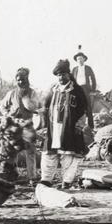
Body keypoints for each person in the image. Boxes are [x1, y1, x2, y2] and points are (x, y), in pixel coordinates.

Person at [40, 59, 89, 189]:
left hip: (69, 128)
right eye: (58, 75)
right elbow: (44, 108)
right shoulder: (52, 90)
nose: (61, 77)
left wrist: (79, 125)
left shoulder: (77, 90)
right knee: (49, 154)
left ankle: (67, 181)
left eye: (63, 74)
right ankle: (46, 180)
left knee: (68, 155)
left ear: (68, 74)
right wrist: (44, 125)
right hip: (53, 127)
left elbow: (83, 110)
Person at [0, 68, 40, 185]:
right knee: (12, 151)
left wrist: (25, 98)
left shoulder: (32, 93)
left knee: (30, 152)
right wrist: (7, 115)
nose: (21, 82)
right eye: (19, 80)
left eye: (23, 79)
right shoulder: (11, 93)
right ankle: (12, 175)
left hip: (28, 124)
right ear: (16, 81)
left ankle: (32, 177)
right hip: (14, 125)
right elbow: (2, 106)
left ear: (27, 79)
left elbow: (34, 107)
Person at [71, 47, 96, 128]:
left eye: (81, 58)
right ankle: (78, 125)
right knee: (76, 106)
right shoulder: (74, 69)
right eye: (78, 59)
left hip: (85, 89)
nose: (80, 60)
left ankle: (91, 126)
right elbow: (72, 80)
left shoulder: (88, 68)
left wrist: (93, 90)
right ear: (76, 60)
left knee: (88, 107)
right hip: (76, 89)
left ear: (84, 59)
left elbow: (93, 79)